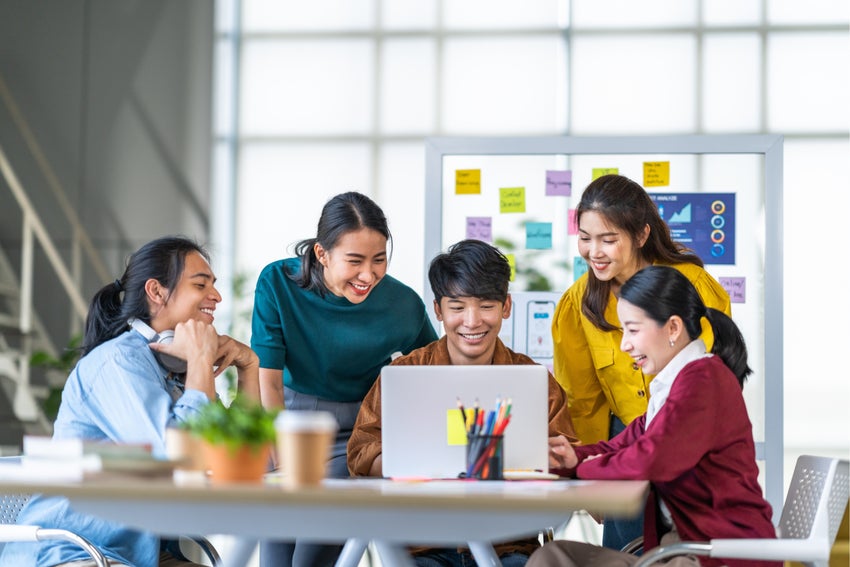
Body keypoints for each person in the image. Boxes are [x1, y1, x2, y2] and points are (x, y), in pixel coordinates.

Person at [0, 236, 260, 567]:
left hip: (136, 555)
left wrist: (248, 369)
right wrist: (199, 360)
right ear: (156, 292)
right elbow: (178, 458)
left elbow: (244, 462)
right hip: (73, 551)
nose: (216, 296)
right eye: (201, 284)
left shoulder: (177, 372)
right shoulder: (117, 364)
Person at [348, 239, 577, 567]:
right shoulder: (404, 375)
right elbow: (360, 454)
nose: (472, 321)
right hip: (423, 545)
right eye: (457, 307)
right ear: (438, 310)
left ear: (506, 306)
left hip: (508, 544)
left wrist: (532, 464)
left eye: (486, 305)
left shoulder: (533, 379)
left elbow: (565, 459)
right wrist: (419, 465)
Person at [531, 265, 777, 567]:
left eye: (633, 330)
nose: (625, 345)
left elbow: (651, 459)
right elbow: (622, 446)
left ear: (673, 328)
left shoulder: (704, 379)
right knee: (553, 556)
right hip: (676, 551)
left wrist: (584, 470)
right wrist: (572, 459)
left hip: (714, 556)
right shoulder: (672, 386)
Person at [250, 191, 438, 567]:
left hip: (358, 433)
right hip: (287, 421)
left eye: (379, 260)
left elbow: (434, 371)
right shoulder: (277, 282)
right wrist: (280, 457)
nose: (368, 275)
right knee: (275, 550)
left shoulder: (402, 304)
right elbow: (267, 381)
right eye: (355, 261)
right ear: (322, 254)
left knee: (313, 550)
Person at [552, 174, 731, 551]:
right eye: (585, 238)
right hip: (624, 442)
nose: (594, 251)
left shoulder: (691, 287)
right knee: (623, 554)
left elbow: (715, 377)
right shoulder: (578, 304)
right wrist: (589, 479)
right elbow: (583, 401)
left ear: (642, 234)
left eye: (609, 239)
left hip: (689, 442)